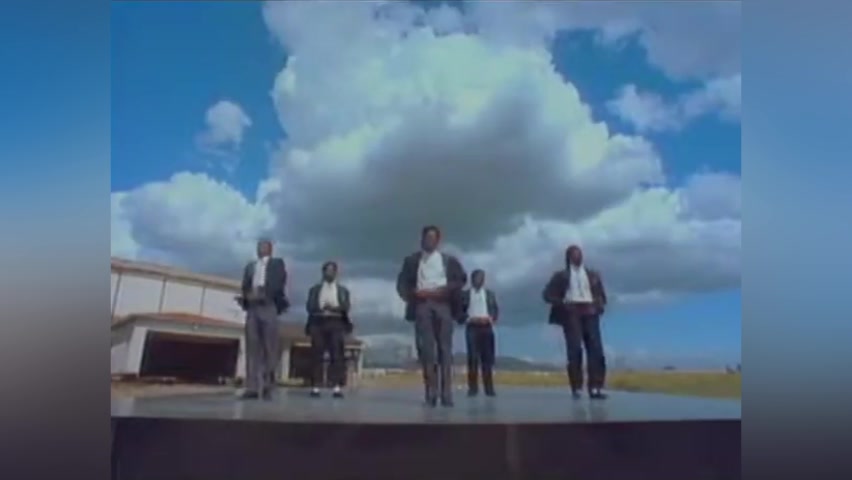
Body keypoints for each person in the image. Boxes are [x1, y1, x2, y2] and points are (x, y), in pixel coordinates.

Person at [396, 225, 467, 407]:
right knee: (427, 350)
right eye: (427, 237)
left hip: (443, 304)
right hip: (422, 304)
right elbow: (402, 283)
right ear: (422, 239)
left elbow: (461, 279)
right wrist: (412, 294)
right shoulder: (412, 261)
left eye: (433, 238)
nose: (429, 241)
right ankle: (431, 393)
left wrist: (446, 290)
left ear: (438, 241)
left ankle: (446, 394)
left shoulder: (448, 261)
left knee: (445, 349)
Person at [541, 245, 609, 400]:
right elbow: (546, 295)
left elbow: (601, 295)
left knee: (596, 350)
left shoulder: (593, 275)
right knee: (575, 350)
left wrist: (598, 306)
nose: (578, 257)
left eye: (579, 254)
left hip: (590, 311)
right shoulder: (561, 276)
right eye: (574, 254)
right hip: (572, 312)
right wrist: (562, 303)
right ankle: (577, 387)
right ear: (569, 257)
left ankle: (596, 387)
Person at [236, 239, 289, 400]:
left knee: (269, 347)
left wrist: (264, 293)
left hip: (268, 305)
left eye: (264, 246)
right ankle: (252, 387)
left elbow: (279, 282)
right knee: (252, 347)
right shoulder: (250, 266)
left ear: (270, 249)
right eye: (259, 246)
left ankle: (267, 386)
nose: (261, 248)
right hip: (252, 308)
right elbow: (245, 285)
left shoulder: (277, 264)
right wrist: (247, 297)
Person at [305, 261, 352, 398]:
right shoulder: (315, 289)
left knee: (336, 355)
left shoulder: (342, 290)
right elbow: (309, 306)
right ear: (323, 272)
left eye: (332, 270)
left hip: (336, 322)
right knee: (317, 355)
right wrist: (321, 308)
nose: (329, 273)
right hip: (318, 322)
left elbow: (346, 306)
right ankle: (315, 386)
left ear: (336, 273)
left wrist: (334, 308)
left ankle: (336, 386)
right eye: (327, 270)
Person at [460, 269, 499, 397]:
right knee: (472, 358)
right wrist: (469, 319)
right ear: (472, 280)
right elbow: (460, 311)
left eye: (481, 278)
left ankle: (489, 388)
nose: (479, 280)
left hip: (486, 327)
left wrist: (491, 318)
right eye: (477, 278)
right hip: (472, 327)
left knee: (487, 359)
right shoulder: (465, 295)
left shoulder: (489, 294)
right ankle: (473, 388)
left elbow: (495, 310)